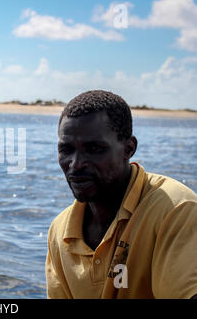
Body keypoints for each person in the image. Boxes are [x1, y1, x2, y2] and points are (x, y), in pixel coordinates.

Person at [46, 90, 197, 299]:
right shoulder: (60, 231)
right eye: (66, 149)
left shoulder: (174, 209)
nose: (76, 164)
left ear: (129, 148)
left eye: (95, 148)